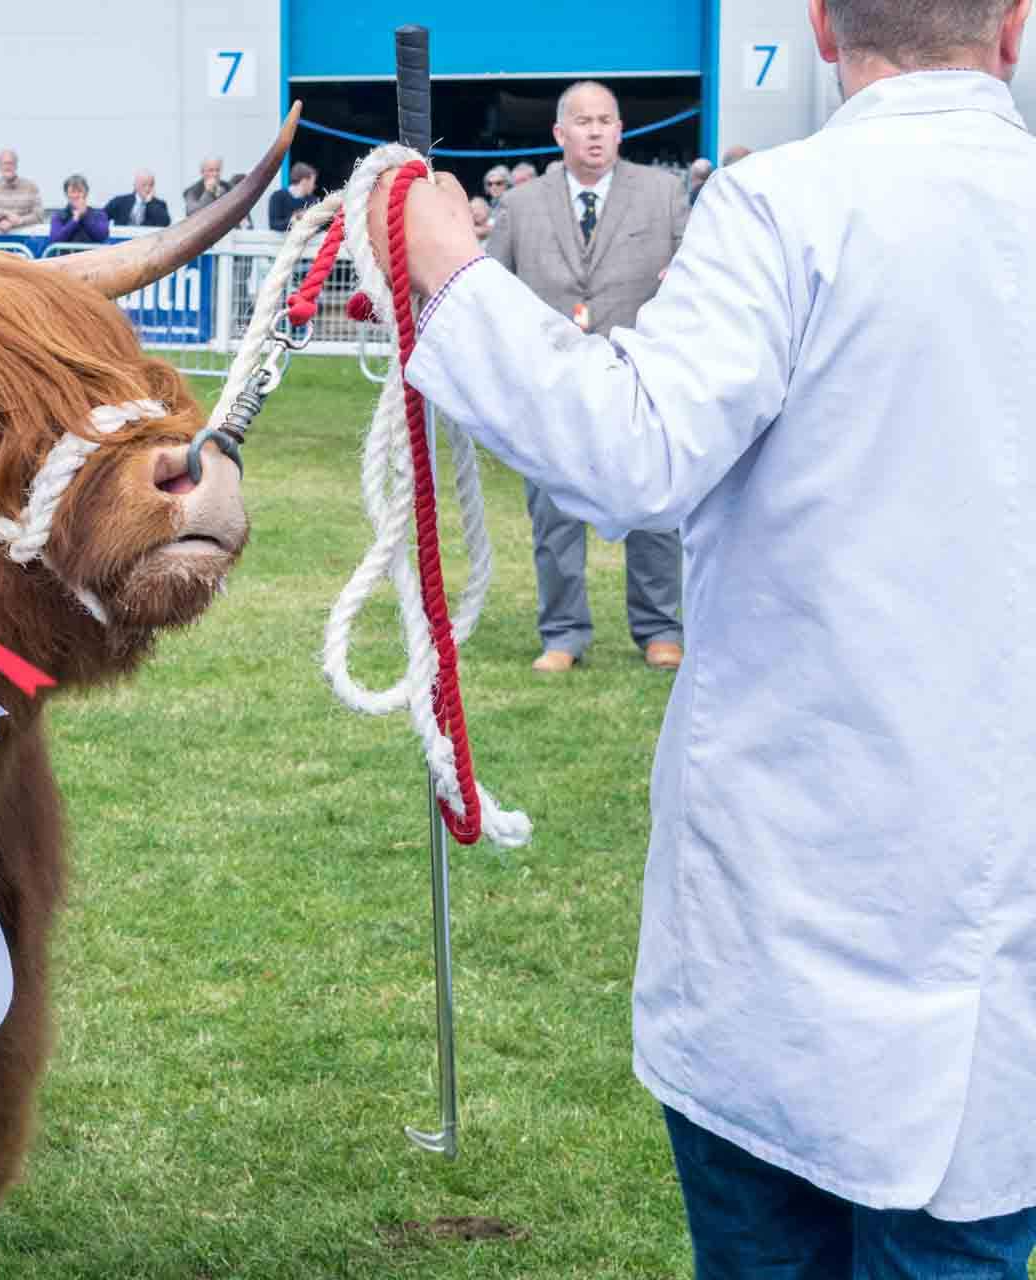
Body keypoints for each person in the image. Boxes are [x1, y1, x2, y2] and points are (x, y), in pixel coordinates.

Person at [373, 0, 1036, 1273]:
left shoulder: (788, 203)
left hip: (787, 924)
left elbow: (630, 450)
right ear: (1012, 27)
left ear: (823, 24)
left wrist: (450, 274)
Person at [483, 81, 687, 674]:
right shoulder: (519, 205)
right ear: (559, 134)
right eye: (583, 121)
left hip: (640, 379)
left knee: (654, 511)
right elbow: (492, 288)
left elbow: (694, 276)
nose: (595, 131)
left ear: (620, 131)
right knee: (553, 518)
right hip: (551, 386)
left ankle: (659, 630)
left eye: (606, 121)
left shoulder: (664, 194)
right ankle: (563, 635)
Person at [0, 148, 44, 232]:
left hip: (25, 238)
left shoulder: (31, 187)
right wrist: (4, 215)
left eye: (11, 163)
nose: (7, 166)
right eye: (4, 163)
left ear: (16, 165)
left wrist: (19, 221)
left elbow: (39, 215)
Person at [44, 174, 109, 250]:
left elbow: (102, 236)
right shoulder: (58, 216)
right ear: (67, 194)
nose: (76, 195)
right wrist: (74, 220)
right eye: (72, 192)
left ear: (86, 193)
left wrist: (85, 216)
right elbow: (55, 240)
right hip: (66, 259)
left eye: (80, 191)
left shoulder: (99, 215)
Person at [103, 170, 171, 227]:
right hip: (123, 240)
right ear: (135, 185)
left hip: (147, 240)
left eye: (151, 185)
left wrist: (150, 203)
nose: (147, 188)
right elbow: (101, 217)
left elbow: (165, 223)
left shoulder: (159, 205)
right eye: (144, 184)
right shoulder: (120, 202)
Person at [269, 162, 320, 231]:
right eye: (312, 182)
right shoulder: (277, 197)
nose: (314, 186)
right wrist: (293, 221)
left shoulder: (314, 201)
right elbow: (273, 224)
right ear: (304, 181)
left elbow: (321, 226)